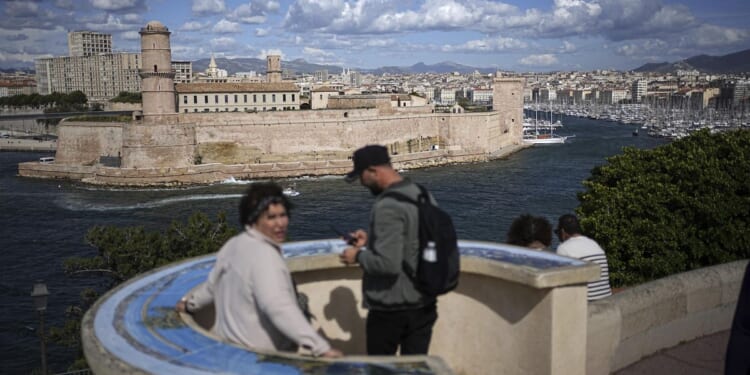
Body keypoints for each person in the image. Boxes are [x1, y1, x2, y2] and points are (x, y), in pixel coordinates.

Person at [175, 182, 341, 358]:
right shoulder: (266, 258)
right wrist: (320, 347)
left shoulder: (233, 245)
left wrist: (189, 305)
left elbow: (211, 287)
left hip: (227, 354)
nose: (280, 223)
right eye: (271, 217)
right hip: (260, 360)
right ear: (254, 219)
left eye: (283, 215)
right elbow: (278, 307)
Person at [339, 145, 439, 355]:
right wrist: (372, 241)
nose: (362, 183)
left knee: (381, 370)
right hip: (424, 303)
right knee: (414, 369)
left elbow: (387, 265)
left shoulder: (387, 206)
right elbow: (413, 241)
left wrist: (357, 255)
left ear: (373, 171)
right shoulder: (422, 193)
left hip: (392, 307)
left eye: (362, 176)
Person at [555, 214, 613, 301]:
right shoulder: (594, 244)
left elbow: (560, 282)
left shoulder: (563, 248)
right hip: (607, 298)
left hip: (587, 304)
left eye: (557, 232)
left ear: (563, 232)